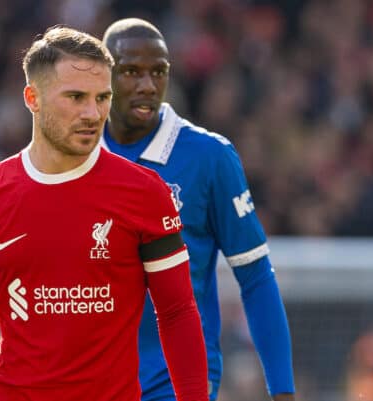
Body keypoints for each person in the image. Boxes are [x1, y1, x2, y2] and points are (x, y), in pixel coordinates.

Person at [0, 26, 209, 401]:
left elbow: (177, 310)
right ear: (32, 98)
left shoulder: (145, 193)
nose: (92, 112)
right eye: (75, 97)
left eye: (102, 97)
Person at [102, 18, 296, 401]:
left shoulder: (208, 157)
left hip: (177, 383)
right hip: (93, 380)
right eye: (131, 72)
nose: (147, 85)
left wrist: (283, 391)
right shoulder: (76, 155)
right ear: (102, 76)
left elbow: (256, 275)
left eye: (158, 72)